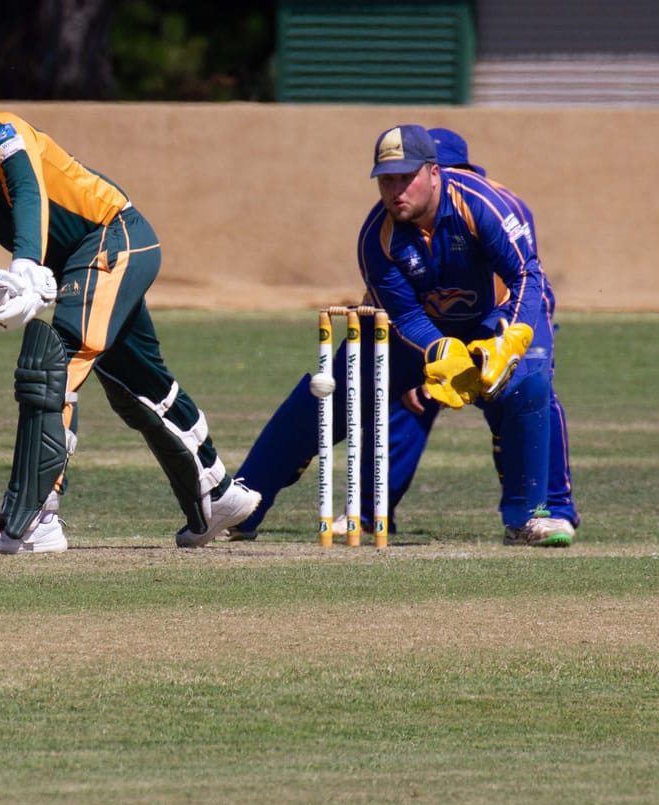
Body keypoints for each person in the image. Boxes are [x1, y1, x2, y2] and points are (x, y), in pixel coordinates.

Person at [0, 81, 260, 554]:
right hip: (76, 268)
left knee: (52, 366)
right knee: (139, 388)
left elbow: (28, 192)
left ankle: (32, 519)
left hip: (115, 234)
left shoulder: (3, 133)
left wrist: (25, 263)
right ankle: (216, 494)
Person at [227, 123, 578, 546]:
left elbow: (526, 277)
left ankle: (538, 514)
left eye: (406, 177)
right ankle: (241, 504)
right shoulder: (377, 236)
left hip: (498, 319)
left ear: (434, 173)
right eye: (387, 179)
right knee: (333, 391)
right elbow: (404, 313)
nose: (397, 190)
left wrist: (509, 341)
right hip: (422, 329)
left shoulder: (487, 204)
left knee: (530, 386)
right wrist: (437, 354)